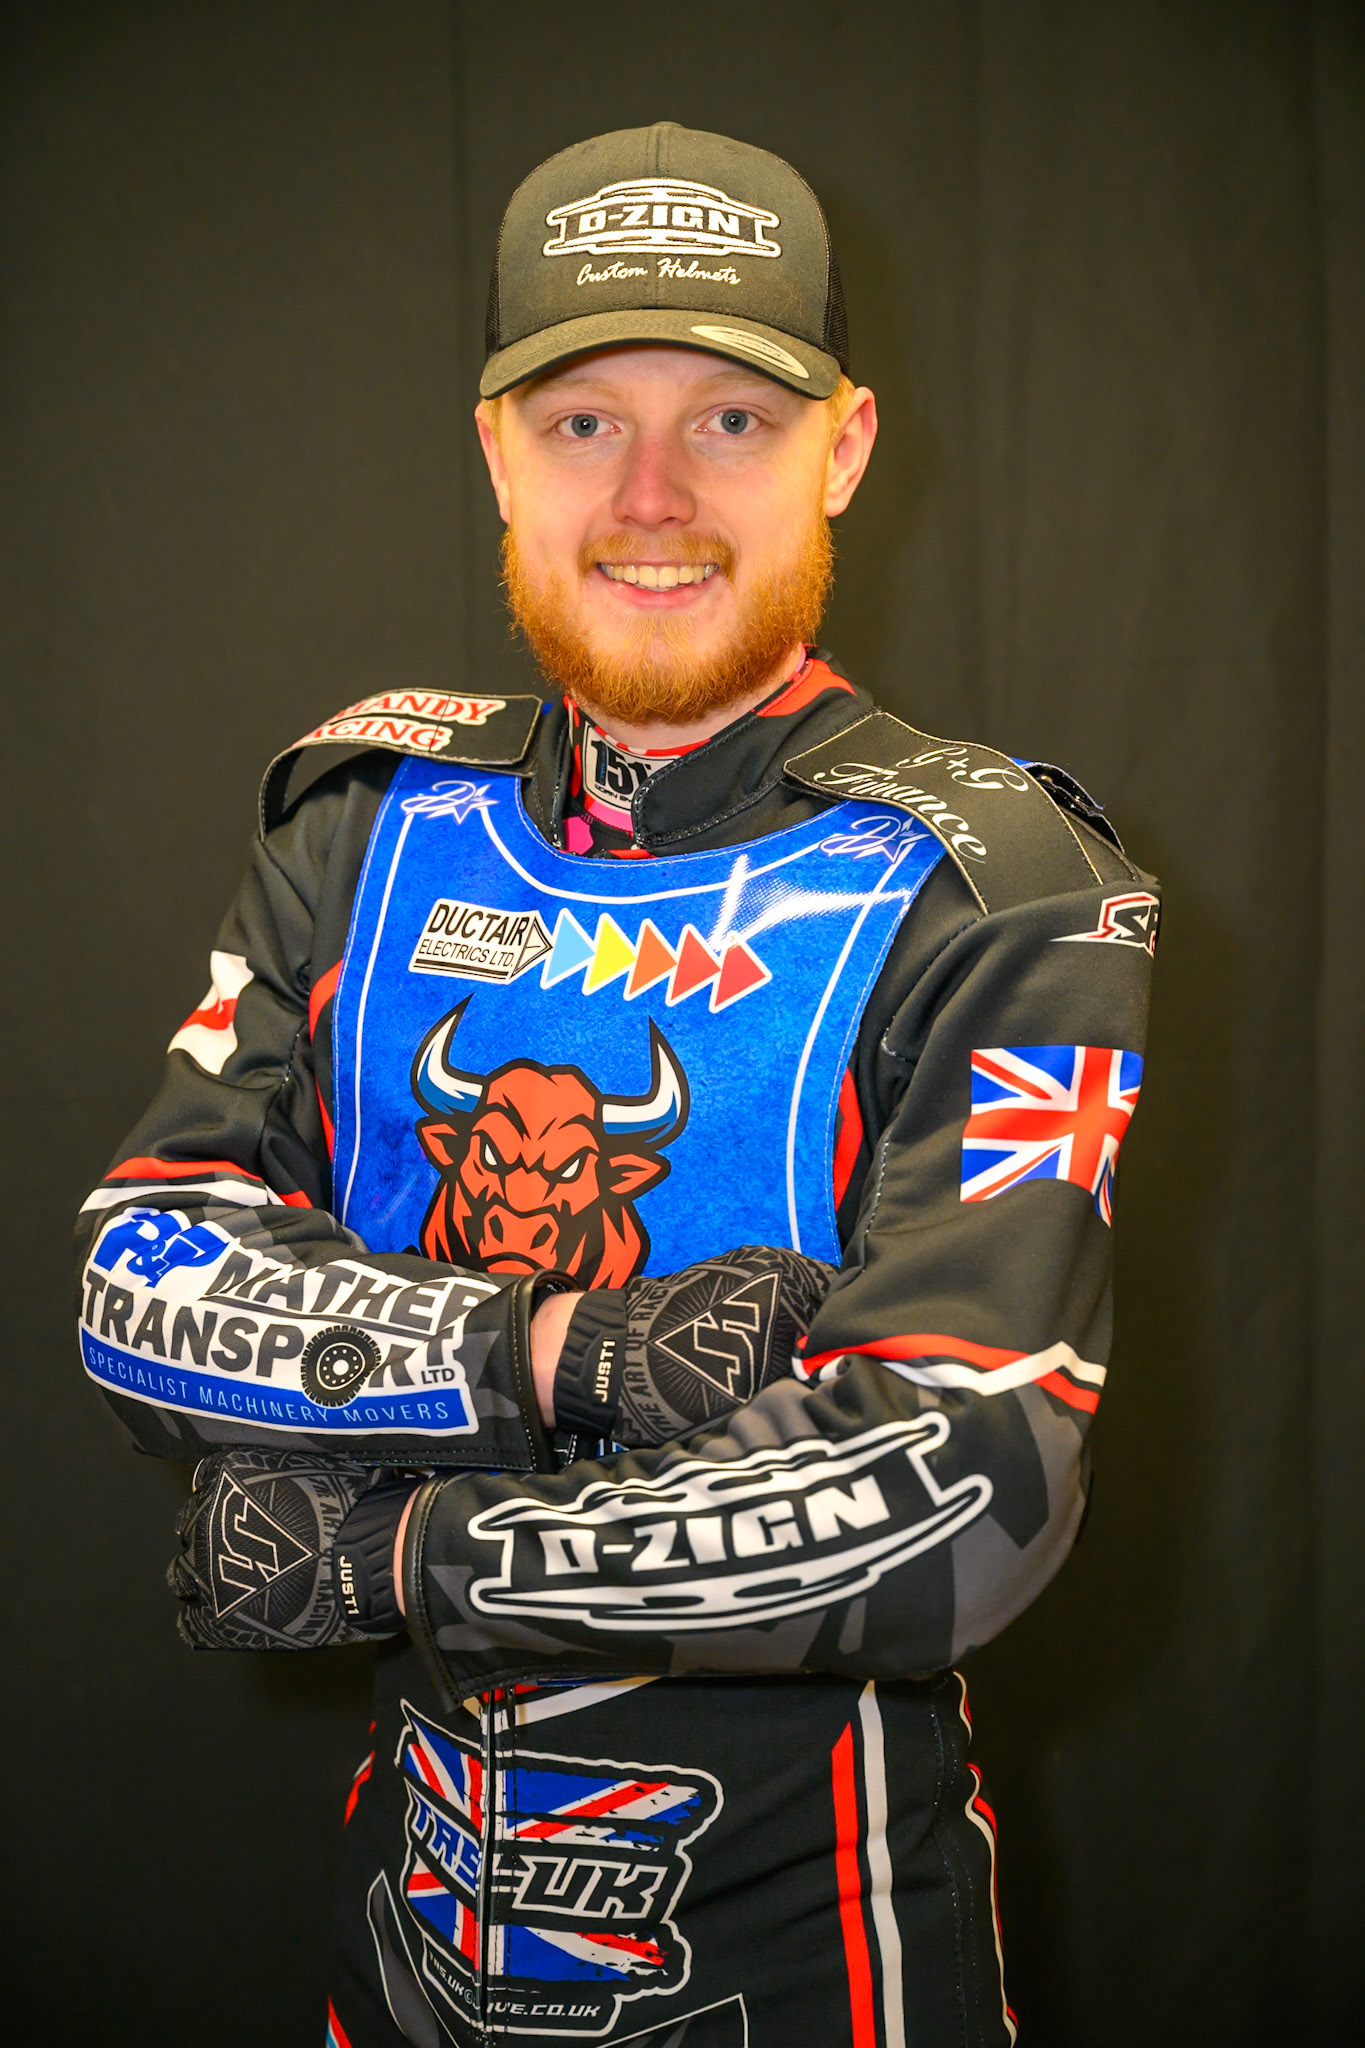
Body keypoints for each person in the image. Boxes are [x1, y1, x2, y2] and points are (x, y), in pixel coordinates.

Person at [76, 121, 1158, 2048]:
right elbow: (140, 1281)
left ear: (842, 449)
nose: (653, 496)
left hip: (807, 1945)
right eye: (582, 421)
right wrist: (557, 1358)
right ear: (492, 450)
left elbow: (964, 1495)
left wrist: (407, 1551)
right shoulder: (365, 824)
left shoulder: (994, 885)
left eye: (733, 422)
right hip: (401, 1929)